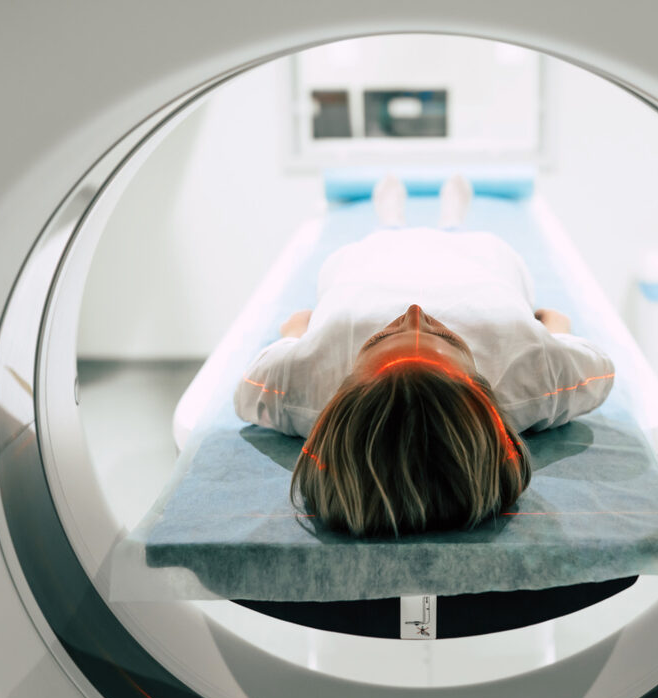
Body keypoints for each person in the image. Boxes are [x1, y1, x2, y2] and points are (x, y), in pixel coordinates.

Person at [234, 175, 615, 537]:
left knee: (382, 241)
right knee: (460, 242)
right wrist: (553, 331)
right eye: (447, 337)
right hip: (480, 262)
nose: (415, 312)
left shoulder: (303, 385)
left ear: (342, 384)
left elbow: (261, 369)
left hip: (368, 263)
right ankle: (449, 221)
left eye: (379, 337)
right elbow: (596, 365)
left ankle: (393, 221)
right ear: (483, 385)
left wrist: (297, 334)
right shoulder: (531, 375)